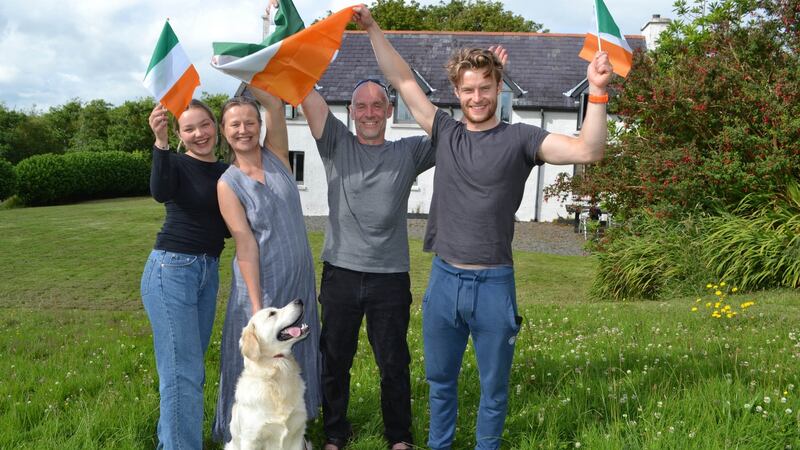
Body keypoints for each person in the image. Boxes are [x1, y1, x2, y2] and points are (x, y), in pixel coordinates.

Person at [352, 5, 612, 450]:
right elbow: (402, 80)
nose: (477, 97)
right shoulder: (444, 132)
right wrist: (373, 27)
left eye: (485, 88)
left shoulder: (523, 138)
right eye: (469, 89)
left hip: (495, 284)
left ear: (498, 88)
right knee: (440, 384)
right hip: (445, 281)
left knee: (494, 390)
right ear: (457, 90)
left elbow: (589, 150)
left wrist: (598, 91)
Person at [300, 76, 435, 450]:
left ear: (390, 111)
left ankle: (399, 437)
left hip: (389, 278)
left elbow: (449, 131)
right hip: (340, 273)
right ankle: (335, 433)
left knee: (393, 362)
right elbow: (307, 96)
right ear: (350, 111)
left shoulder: (408, 152)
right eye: (362, 106)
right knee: (335, 360)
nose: (370, 113)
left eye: (378, 105)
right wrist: (292, 48)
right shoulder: (336, 143)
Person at [211, 87, 322, 445]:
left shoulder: (277, 155)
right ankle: (249, 435)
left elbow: (275, 101)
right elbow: (244, 244)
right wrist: (258, 308)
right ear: (224, 132)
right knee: (259, 363)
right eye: (234, 125)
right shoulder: (227, 184)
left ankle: (292, 431)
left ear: (260, 125)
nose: (243, 129)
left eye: (249, 122)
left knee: (297, 351)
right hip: (261, 282)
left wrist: (247, 72)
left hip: (299, 278)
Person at [140, 100, 229, 450]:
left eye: (205, 125)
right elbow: (160, 191)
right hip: (171, 270)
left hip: (207, 271)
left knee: (188, 370)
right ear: (180, 134)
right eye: (189, 128)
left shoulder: (225, 170)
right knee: (183, 373)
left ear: (215, 127)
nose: (199, 134)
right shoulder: (174, 162)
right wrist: (160, 142)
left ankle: (172, 443)